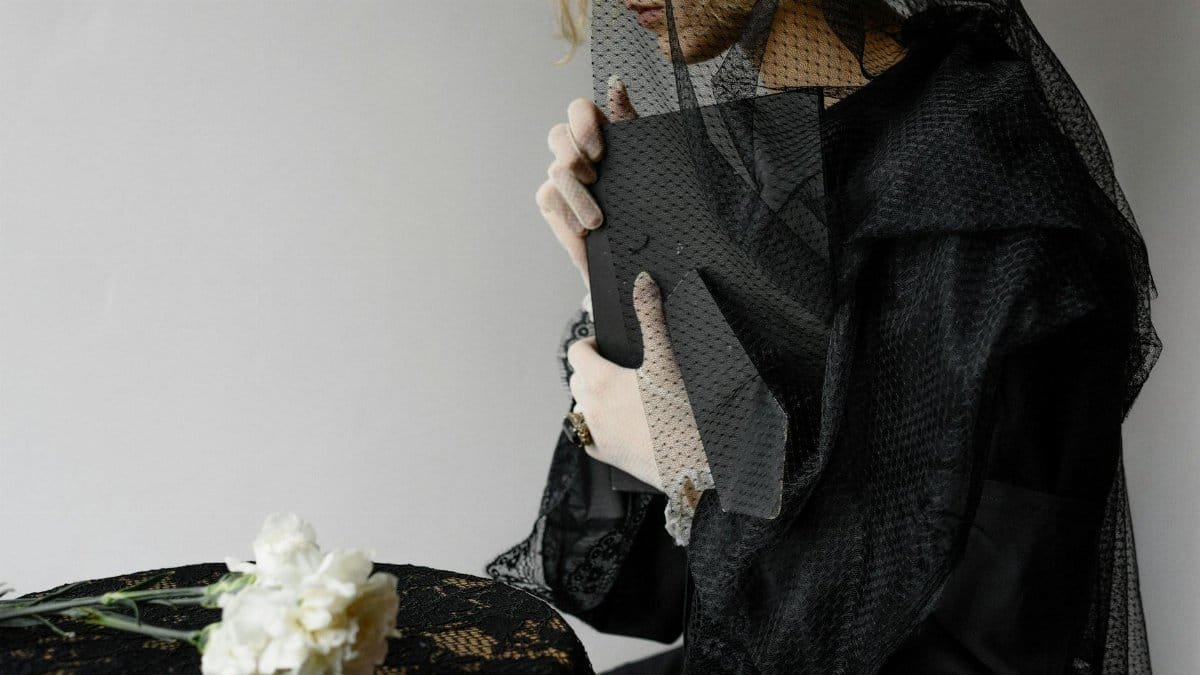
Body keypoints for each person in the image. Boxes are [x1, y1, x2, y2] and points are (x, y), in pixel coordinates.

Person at [489, 1, 1161, 673]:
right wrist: (622, 288)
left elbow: (979, 646)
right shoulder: (769, 157)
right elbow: (637, 590)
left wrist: (696, 477)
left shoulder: (990, 199)